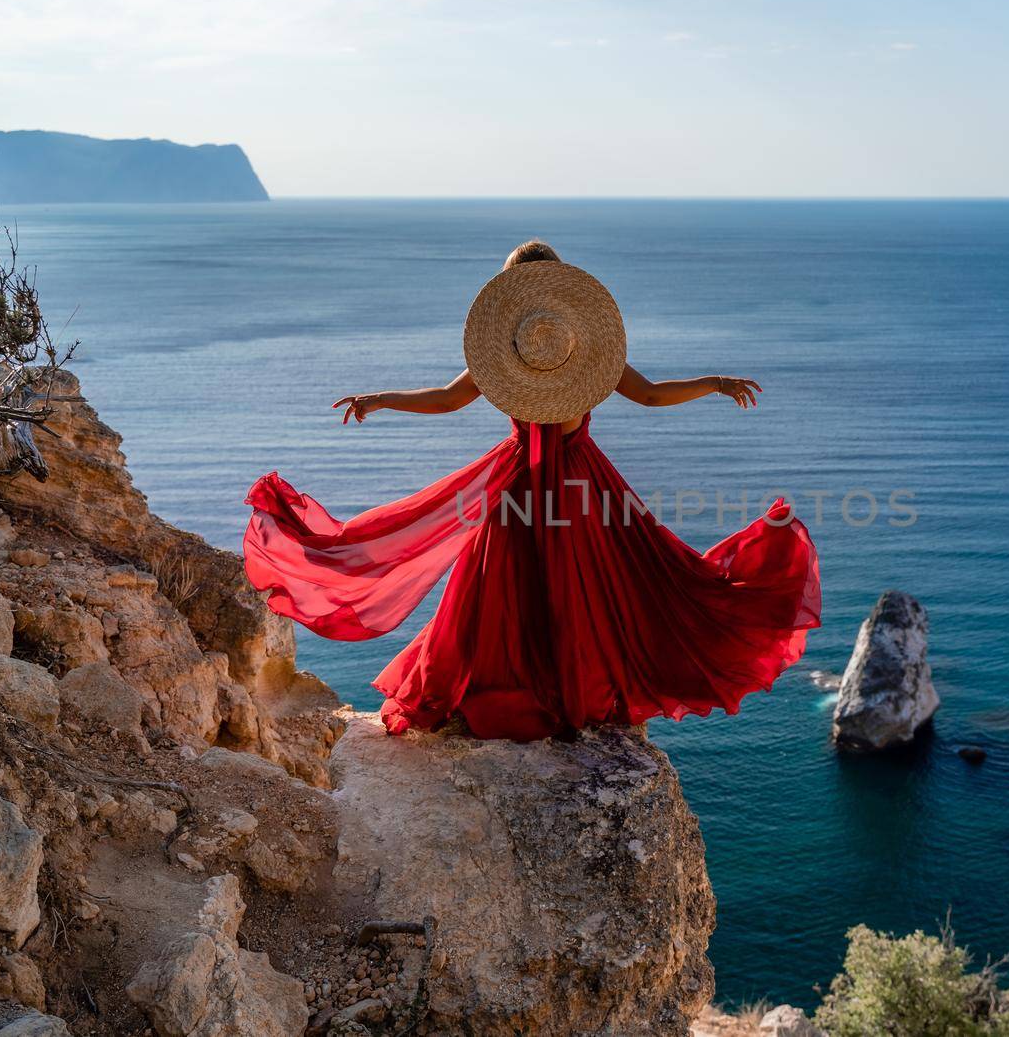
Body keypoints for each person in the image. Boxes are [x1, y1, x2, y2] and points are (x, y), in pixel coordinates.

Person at [243, 240, 821, 741]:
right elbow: (650, 396)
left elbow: (445, 400)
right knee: (608, 584)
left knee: (501, 591)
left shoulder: (507, 355)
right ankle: (577, 685)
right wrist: (713, 384)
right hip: (581, 485)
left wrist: (380, 398)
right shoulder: (585, 351)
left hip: (516, 484)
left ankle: (500, 688)